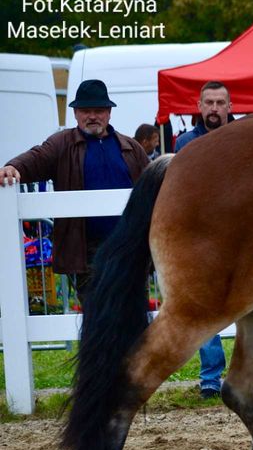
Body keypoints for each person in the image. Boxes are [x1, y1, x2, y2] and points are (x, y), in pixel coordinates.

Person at [1, 79, 149, 295]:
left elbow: (152, 179)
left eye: (98, 110)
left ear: (109, 113)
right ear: (75, 114)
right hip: (85, 249)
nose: (92, 116)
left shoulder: (131, 147)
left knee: (134, 310)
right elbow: (36, 157)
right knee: (98, 310)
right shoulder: (61, 143)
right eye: (85, 110)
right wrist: (13, 167)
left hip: (129, 245)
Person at [173, 81, 242, 399]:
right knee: (205, 306)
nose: (214, 108)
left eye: (220, 102)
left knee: (250, 305)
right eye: (209, 102)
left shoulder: (246, 138)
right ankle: (211, 378)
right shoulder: (185, 142)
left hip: (243, 236)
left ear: (230, 107)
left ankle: (243, 374)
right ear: (199, 106)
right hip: (204, 238)